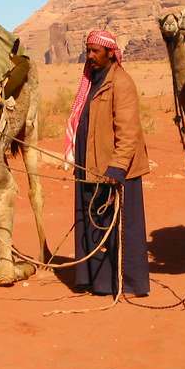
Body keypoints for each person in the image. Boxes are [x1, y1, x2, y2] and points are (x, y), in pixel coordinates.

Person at [64, 30, 150, 297]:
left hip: (115, 170)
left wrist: (117, 168)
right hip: (92, 167)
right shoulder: (94, 81)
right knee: (94, 225)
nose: (89, 56)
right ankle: (99, 282)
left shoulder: (121, 83)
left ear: (110, 54)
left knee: (120, 229)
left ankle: (129, 284)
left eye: (95, 51)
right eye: (88, 50)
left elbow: (128, 131)